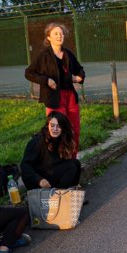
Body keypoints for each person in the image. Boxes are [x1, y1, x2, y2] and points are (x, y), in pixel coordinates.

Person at [25, 22, 85, 154]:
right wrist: (46, 80)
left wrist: (79, 77)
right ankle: (57, 160)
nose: (59, 36)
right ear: (48, 37)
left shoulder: (68, 54)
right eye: (56, 33)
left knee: (74, 130)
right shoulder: (44, 56)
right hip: (54, 98)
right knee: (57, 131)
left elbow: (80, 70)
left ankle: (72, 159)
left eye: (61, 33)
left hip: (70, 97)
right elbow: (28, 73)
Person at [21, 112, 82, 190]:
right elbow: (25, 166)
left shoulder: (61, 138)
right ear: (47, 126)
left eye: (58, 126)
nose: (55, 129)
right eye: (52, 126)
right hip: (38, 180)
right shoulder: (37, 141)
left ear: (63, 128)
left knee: (75, 163)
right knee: (70, 167)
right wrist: (39, 180)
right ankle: (58, 197)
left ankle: (70, 194)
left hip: (50, 172)